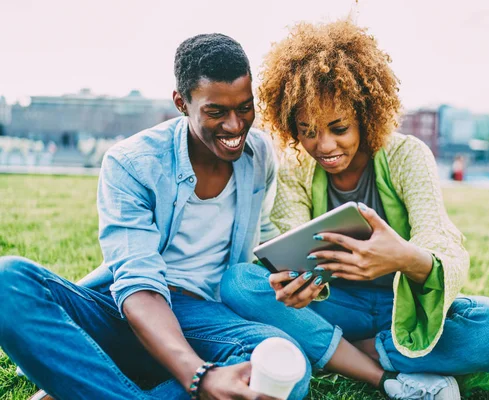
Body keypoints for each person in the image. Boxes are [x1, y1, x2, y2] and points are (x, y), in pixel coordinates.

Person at [221, 19, 489, 399]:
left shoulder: (406, 155)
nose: (324, 146)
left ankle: (349, 352)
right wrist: (299, 287)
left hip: (400, 307)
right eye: (308, 130)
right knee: (238, 283)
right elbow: (294, 249)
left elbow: (441, 242)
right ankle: (390, 362)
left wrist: (403, 258)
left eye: (339, 128)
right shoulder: (297, 170)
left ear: (365, 117)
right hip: (337, 305)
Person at [0, 33, 311, 400]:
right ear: (181, 102)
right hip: (126, 312)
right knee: (8, 280)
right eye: (216, 112)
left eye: (244, 107)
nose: (235, 125)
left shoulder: (258, 154)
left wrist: (290, 272)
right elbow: (138, 284)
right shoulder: (132, 163)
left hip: (204, 319)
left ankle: (95, 383)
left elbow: (261, 231)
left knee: (282, 366)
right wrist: (200, 377)